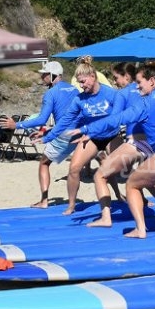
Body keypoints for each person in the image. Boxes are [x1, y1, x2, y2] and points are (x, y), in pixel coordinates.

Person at [70, 61, 155, 238]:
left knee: (127, 182)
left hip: (153, 149)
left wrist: (88, 130)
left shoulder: (140, 101)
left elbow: (116, 119)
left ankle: (136, 228)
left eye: (139, 81)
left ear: (151, 81)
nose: (137, 85)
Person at [82, 61, 155, 228]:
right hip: (153, 143)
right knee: (149, 181)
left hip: (136, 142)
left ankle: (106, 218)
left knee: (100, 175)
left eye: (116, 78)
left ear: (127, 76)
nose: (115, 82)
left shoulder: (123, 93)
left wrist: (92, 131)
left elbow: (114, 120)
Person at [41, 56, 123, 215]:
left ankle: (130, 197)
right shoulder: (79, 99)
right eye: (79, 82)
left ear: (93, 77)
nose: (81, 85)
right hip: (92, 136)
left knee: (122, 167)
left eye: (83, 81)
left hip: (111, 135)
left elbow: (119, 117)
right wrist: (47, 136)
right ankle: (71, 205)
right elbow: (65, 120)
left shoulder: (111, 94)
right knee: (74, 168)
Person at [0, 61, 79, 208]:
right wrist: (49, 129)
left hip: (63, 135)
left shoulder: (50, 93)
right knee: (89, 165)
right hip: (79, 134)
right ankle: (117, 195)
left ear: (53, 75)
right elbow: (72, 114)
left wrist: (16, 125)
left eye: (44, 75)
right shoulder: (74, 89)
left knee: (44, 163)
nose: (42, 77)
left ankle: (44, 201)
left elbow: (41, 119)